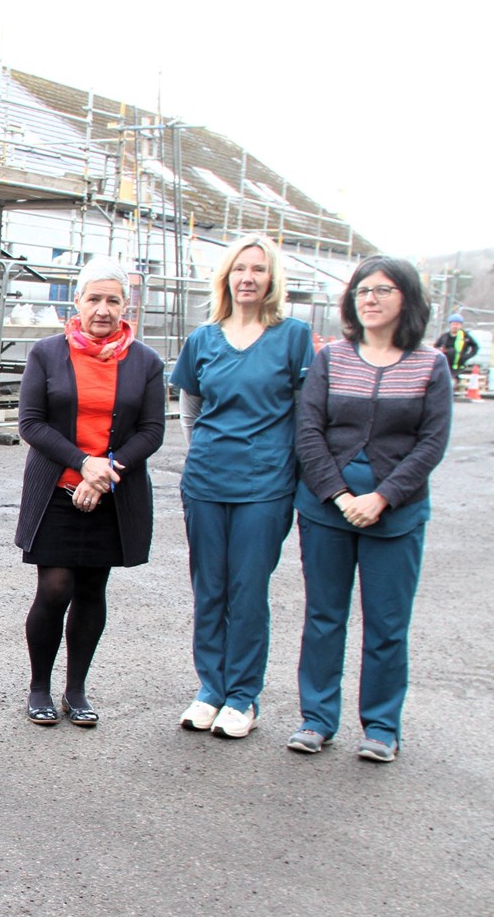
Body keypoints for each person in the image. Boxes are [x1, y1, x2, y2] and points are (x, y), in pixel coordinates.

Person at [289, 257, 451, 763]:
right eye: (362, 290)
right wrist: (338, 495)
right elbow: (309, 431)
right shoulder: (332, 358)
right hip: (326, 509)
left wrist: (382, 497)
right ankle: (317, 719)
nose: (370, 298)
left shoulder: (431, 365)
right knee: (323, 616)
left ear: (407, 299)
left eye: (382, 290)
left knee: (386, 623)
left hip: (396, 515)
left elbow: (431, 443)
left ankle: (381, 726)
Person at [170, 234, 313, 739]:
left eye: (258, 269)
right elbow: (190, 406)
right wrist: (203, 451)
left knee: (247, 591)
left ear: (272, 278)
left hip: (265, 486)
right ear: (226, 277)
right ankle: (210, 689)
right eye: (238, 269)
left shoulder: (294, 336)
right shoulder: (203, 339)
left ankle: (242, 696)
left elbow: (305, 412)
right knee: (208, 589)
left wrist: (290, 467)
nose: (247, 278)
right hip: (207, 480)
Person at [14, 258, 166, 726]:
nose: (103, 309)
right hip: (58, 487)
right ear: (77, 302)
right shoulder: (46, 353)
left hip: (113, 491)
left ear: (126, 306)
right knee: (55, 587)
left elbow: (152, 430)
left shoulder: (146, 361)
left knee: (93, 588)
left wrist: (106, 472)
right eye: (94, 298)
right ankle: (39, 687)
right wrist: (83, 465)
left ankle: (75, 690)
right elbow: (31, 423)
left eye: (113, 300)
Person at [432, 313, 478, 382]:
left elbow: (475, 347)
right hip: (446, 364)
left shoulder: (465, 336)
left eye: (457, 324)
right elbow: (435, 347)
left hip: (459, 366)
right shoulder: (445, 336)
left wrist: (466, 356)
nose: (455, 326)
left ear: (460, 325)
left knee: (453, 381)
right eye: (453, 324)